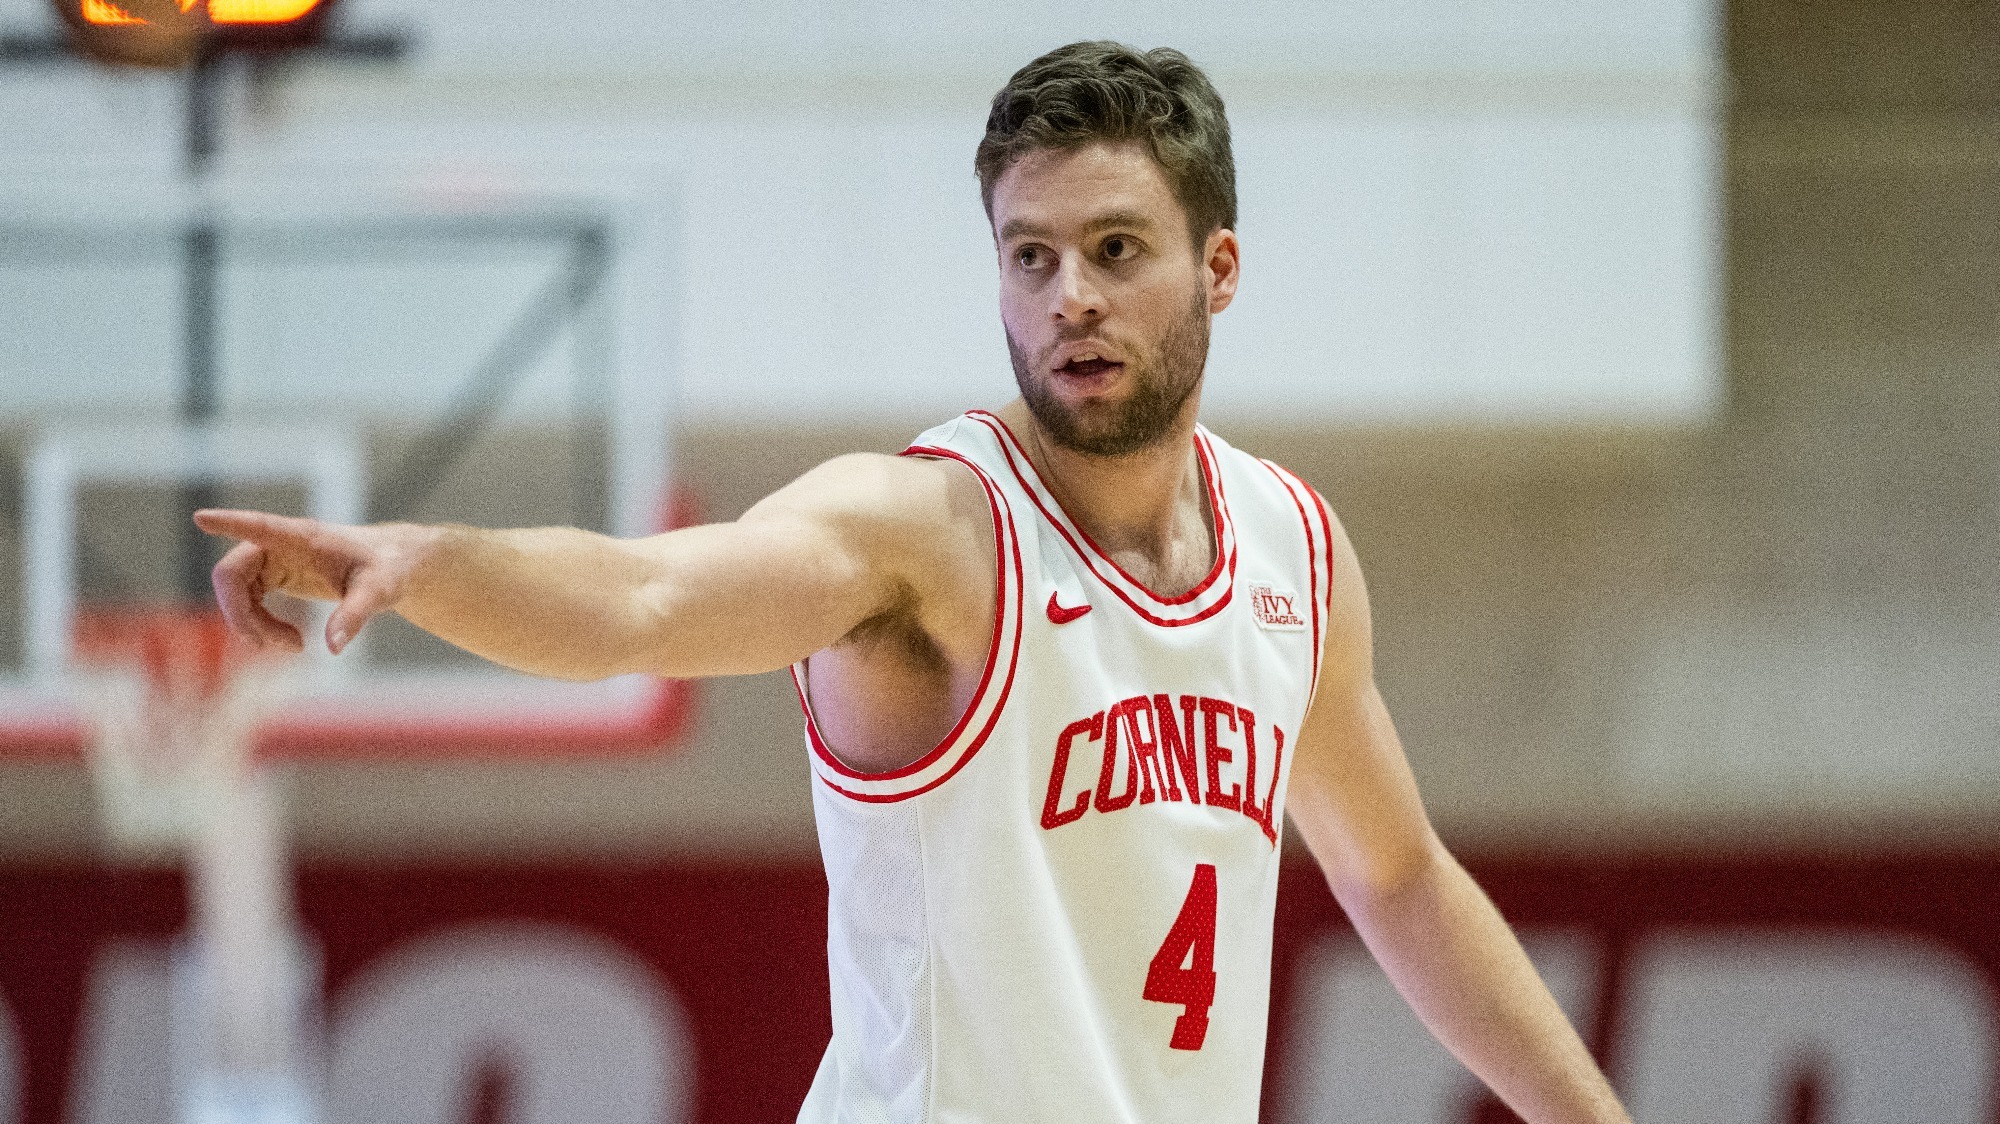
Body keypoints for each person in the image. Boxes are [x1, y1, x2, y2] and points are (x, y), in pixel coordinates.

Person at [198, 40, 1633, 1124]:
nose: (1067, 294)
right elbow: (640, 598)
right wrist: (431, 562)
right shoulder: (928, 534)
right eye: (1031, 255)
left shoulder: (1295, 557)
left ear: (1221, 269)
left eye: (1116, 250)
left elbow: (1399, 876)